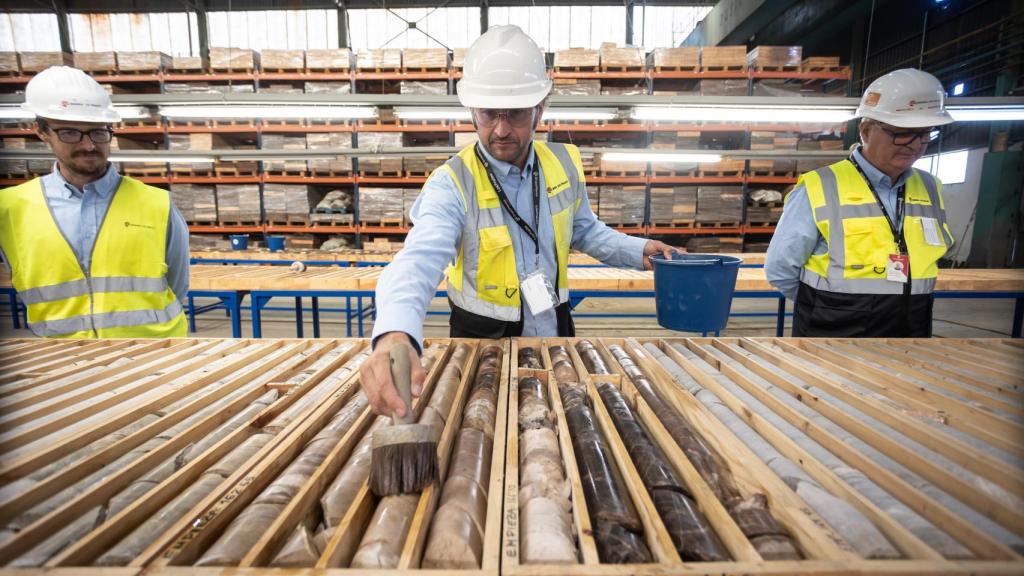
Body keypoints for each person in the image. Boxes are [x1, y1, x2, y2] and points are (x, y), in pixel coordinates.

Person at [361, 25, 677, 416]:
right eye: (489, 114)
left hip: (555, 333)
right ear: (472, 109)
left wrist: (639, 250)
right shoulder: (453, 183)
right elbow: (418, 260)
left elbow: (583, 230)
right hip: (485, 346)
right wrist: (394, 330)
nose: (501, 130)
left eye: (515, 114)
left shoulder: (562, 163)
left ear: (540, 107)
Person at [0, 66, 189, 338]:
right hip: (65, 363)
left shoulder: (156, 203)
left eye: (98, 132)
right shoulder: (10, 209)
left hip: (154, 359)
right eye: (70, 133)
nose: (88, 145)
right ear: (41, 131)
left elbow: (178, 286)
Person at [765, 68, 955, 337]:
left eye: (925, 134)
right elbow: (780, 268)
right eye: (902, 133)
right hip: (833, 330)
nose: (915, 145)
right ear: (866, 130)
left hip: (911, 328)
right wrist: (825, 306)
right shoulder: (822, 185)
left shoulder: (930, 187)